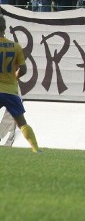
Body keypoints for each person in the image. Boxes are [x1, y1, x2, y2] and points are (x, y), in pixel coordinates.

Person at [0, 15, 40, 152]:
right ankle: (36, 149)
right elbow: (23, 69)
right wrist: (14, 77)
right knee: (22, 123)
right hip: (11, 91)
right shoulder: (15, 47)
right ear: (4, 28)